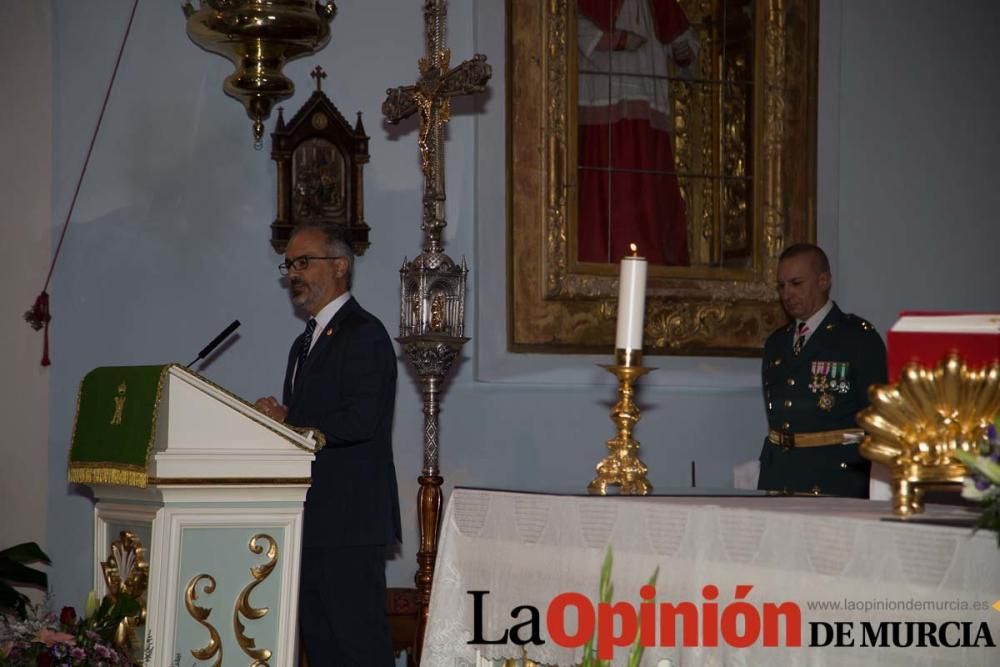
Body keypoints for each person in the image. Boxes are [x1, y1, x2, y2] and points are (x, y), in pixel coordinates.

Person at [255, 223, 400, 665]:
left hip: (349, 526)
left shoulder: (363, 333)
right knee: (322, 649)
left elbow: (361, 419)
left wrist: (291, 423)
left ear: (340, 266)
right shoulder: (305, 342)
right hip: (313, 523)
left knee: (357, 649)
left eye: (304, 261)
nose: (294, 273)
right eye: (289, 265)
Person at [756, 243, 887, 498]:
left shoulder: (857, 338)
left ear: (824, 281)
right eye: (781, 286)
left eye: (796, 283)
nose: (787, 294)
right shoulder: (777, 343)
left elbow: (877, 421)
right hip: (781, 476)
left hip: (833, 478)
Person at [576, 0, 698, 265]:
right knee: (611, 179)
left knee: (649, 182)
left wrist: (683, 51)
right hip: (606, 94)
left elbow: (681, 38)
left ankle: (652, 255)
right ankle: (602, 255)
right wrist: (615, 40)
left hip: (649, 96)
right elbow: (571, 27)